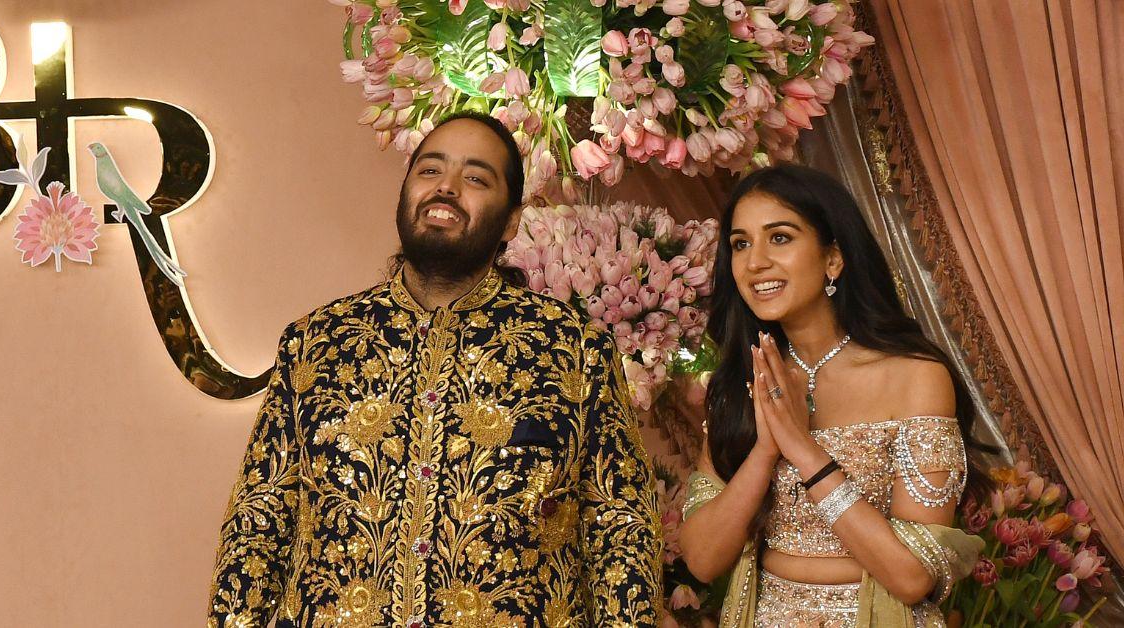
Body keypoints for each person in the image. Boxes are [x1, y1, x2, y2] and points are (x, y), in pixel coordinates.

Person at [207, 112, 662, 627]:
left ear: (512, 219)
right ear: (403, 194)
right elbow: (256, 527)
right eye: (429, 171)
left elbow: (621, 534)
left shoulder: (575, 350)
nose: (446, 188)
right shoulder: (316, 343)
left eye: (475, 178)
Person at [680, 164, 988, 627]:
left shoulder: (914, 377)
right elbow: (702, 559)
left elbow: (911, 578)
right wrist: (766, 449)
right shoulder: (742, 382)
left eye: (780, 237)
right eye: (740, 244)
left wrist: (802, 449)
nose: (755, 261)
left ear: (833, 259)